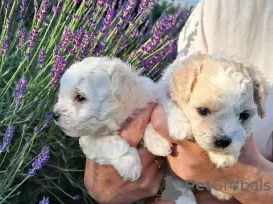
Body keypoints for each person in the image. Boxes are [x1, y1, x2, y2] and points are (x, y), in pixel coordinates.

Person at [83, 0, 273, 203]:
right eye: (204, 111)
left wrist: (241, 176)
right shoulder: (220, 9)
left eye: (243, 115)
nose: (224, 134)